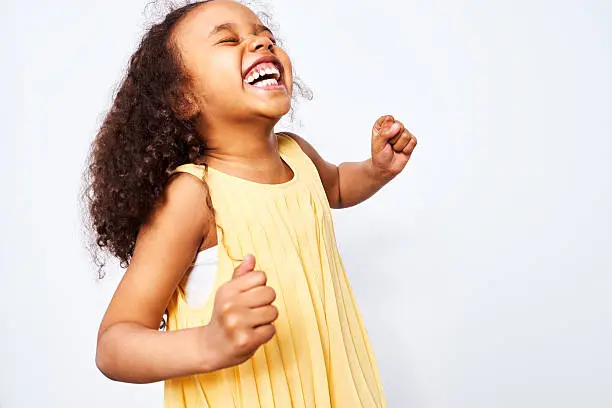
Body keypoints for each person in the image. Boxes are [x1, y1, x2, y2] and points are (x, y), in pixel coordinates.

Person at [85, 1, 417, 407]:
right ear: (183, 96)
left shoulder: (296, 154)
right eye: (228, 39)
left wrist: (375, 170)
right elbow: (114, 343)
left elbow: (337, 187)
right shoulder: (193, 195)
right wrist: (210, 342)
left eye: (266, 36)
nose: (261, 42)